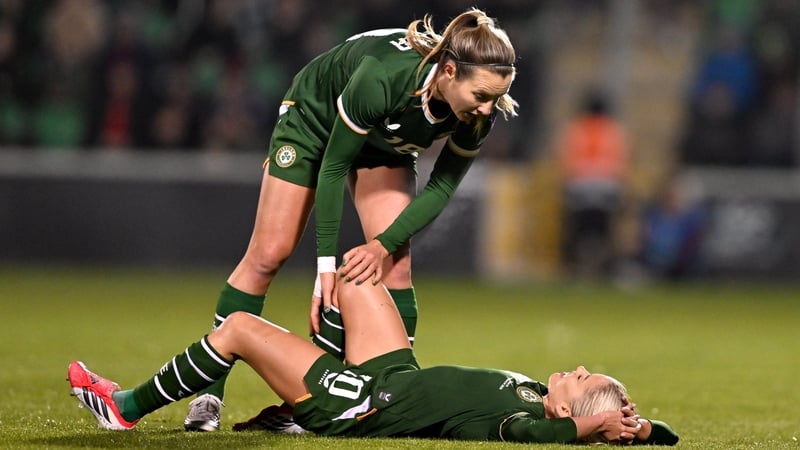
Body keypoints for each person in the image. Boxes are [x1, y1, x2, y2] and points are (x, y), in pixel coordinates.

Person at [182, 7, 519, 432]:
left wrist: (381, 246)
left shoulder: (477, 114)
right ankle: (209, 394)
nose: (489, 110)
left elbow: (441, 189)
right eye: (481, 97)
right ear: (448, 71)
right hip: (315, 122)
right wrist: (325, 268)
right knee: (269, 253)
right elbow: (333, 167)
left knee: (394, 266)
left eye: (496, 98)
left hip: (384, 143)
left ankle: (388, 399)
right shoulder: (383, 77)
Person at [68, 279, 679, 445]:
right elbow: (667, 437)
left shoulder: (522, 424)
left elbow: (540, 436)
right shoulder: (540, 399)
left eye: (581, 378)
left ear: (569, 411)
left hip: (362, 403)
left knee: (239, 330)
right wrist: (640, 428)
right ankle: (297, 403)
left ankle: (123, 410)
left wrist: (586, 430)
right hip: (395, 377)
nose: (574, 368)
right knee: (360, 280)